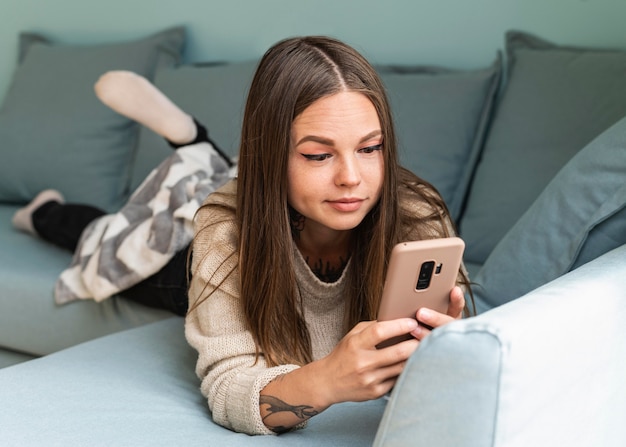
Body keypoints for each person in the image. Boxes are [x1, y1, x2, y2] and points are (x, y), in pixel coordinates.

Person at [185, 36, 473, 436]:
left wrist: (451, 345)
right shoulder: (227, 230)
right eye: (319, 155)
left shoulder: (416, 215)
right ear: (270, 155)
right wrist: (327, 381)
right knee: (140, 250)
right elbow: (228, 389)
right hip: (192, 256)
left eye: (370, 148)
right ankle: (185, 144)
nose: (351, 178)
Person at [11, 71, 235, 316]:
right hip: (216, 259)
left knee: (231, 189)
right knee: (107, 242)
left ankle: (196, 142)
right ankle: (42, 212)